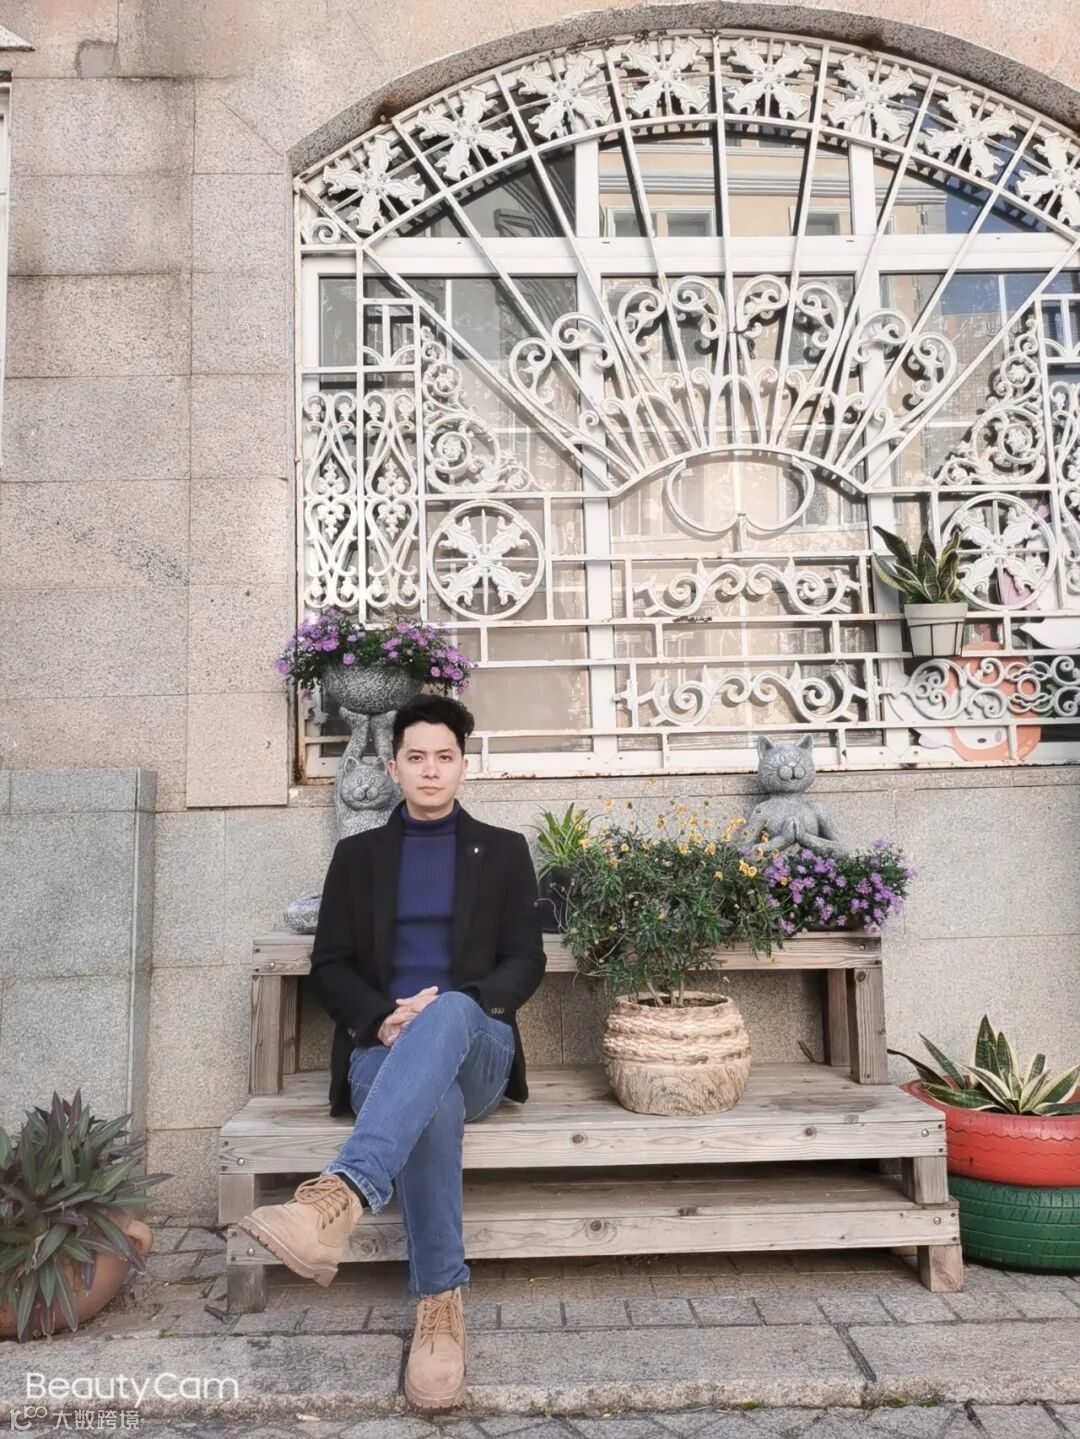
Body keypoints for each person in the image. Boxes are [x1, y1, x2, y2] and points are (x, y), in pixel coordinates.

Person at [237, 692, 546, 1411]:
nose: (430, 769)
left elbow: (523, 962)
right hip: (383, 1048)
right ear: (394, 767)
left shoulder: (504, 851)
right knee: (430, 1102)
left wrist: (450, 1007)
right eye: (416, 757)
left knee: (453, 1011)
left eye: (444, 757)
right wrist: (381, 1019)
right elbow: (331, 965)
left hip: (478, 1044)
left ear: (463, 766)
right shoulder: (358, 857)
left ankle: (337, 1195)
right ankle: (440, 1304)